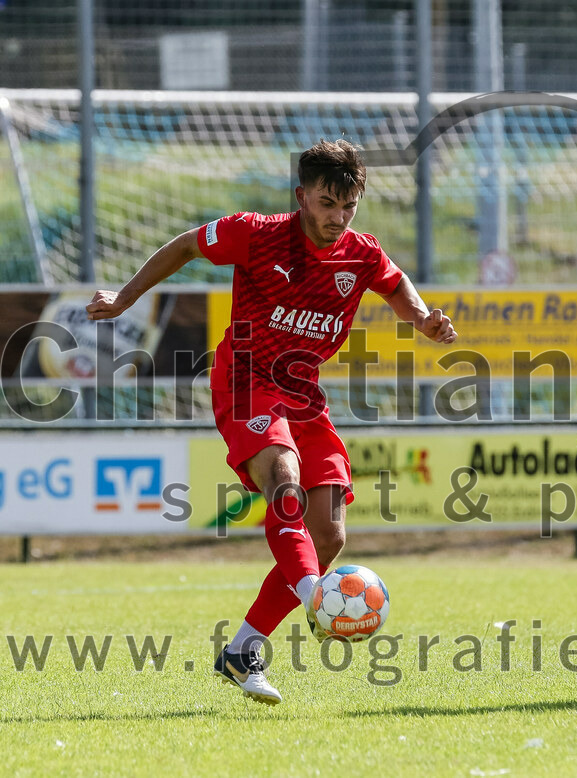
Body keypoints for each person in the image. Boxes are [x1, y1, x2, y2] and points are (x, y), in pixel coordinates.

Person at [87, 139, 457, 705]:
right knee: (283, 479)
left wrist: (424, 319)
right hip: (245, 378)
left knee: (329, 533)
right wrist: (124, 298)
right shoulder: (256, 233)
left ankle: (243, 649)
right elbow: (186, 245)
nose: (338, 218)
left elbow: (394, 281)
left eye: (348, 207)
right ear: (302, 195)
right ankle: (318, 599)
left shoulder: (360, 252)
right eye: (328, 204)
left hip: (304, 392)